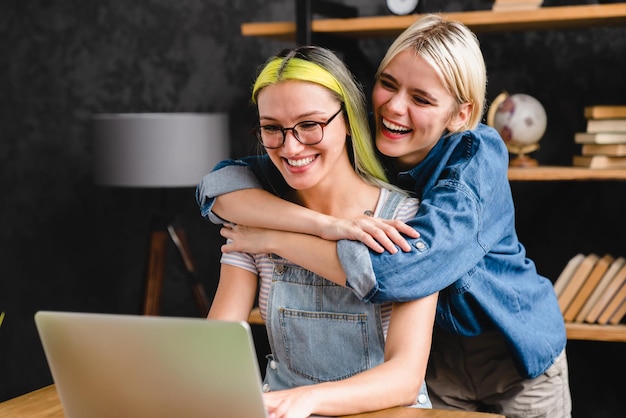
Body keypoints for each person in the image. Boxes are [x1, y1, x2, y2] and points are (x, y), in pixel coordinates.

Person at [197, 14, 571, 418]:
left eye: (422, 99)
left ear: (460, 114)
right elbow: (223, 185)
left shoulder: (471, 167)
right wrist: (322, 224)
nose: (394, 107)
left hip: (510, 355)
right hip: (437, 362)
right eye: (388, 84)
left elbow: (396, 272)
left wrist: (273, 238)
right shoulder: (356, 135)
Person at [206, 45, 437, 418]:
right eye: (272, 129)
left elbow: (404, 377)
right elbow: (215, 345)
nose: (290, 146)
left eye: (310, 125)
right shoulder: (256, 219)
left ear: (347, 120)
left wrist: (308, 399)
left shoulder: (405, 220)